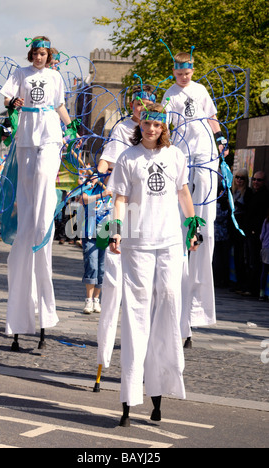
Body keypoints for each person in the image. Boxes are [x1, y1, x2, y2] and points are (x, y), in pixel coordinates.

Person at [107, 103, 201, 426]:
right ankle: (129, 397)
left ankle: (160, 386)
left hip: (170, 243)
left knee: (171, 304)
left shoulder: (175, 157)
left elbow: (184, 192)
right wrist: (116, 232)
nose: (151, 129)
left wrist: (193, 225)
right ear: (141, 125)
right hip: (138, 245)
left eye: (157, 124)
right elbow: (119, 200)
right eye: (147, 123)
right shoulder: (128, 158)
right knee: (136, 315)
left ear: (163, 128)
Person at [0, 36, 72, 345]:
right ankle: (30, 218)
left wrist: (72, 127)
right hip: (27, 131)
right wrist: (13, 102)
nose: (40, 58)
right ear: (32, 54)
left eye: (44, 54)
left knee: (45, 172)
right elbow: (6, 98)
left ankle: (44, 215)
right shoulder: (20, 73)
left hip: (50, 131)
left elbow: (59, 106)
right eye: (37, 53)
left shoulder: (55, 76)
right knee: (28, 182)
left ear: (49, 55)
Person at [161, 50, 229, 343]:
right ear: (174, 72)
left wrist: (220, 138)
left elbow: (212, 119)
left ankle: (202, 236)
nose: (183, 78)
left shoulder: (200, 90)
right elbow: (163, 123)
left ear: (192, 70)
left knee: (206, 222)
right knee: (181, 216)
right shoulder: (170, 94)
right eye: (179, 74)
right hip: (182, 154)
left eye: (187, 73)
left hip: (204, 154)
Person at [97, 84, 157, 369]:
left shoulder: (159, 134)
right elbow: (106, 158)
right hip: (121, 203)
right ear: (132, 107)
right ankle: (105, 355)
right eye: (138, 105)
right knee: (113, 278)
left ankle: (143, 351)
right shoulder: (122, 129)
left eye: (147, 106)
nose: (141, 110)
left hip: (148, 212)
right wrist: (97, 175)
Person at [79, 179, 111, 314]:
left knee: (102, 268)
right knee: (91, 265)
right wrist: (101, 195)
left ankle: (97, 299)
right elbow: (83, 199)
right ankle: (89, 299)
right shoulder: (93, 185)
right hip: (90, 233)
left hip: (106, 233)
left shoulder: (118, 186)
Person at [245, 171, 269, 297]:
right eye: (254, 179)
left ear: (264, 181)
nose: (256, 182)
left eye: (259, 180)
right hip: (251, 233)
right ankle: (250, 287)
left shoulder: (264, 196)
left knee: (255, 262)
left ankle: (253, 289)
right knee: (250, 261)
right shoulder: (254, 194)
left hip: (259, 235)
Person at [230, 168, 252, 293]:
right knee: (235, 256)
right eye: (237, 177)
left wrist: (236, 204)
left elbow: (248, 209)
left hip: (242, 227)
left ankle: (243, 283)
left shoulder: (247, 192)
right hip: (231, 226)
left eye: (242, 178)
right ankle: (236, 282)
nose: (239, 180)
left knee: (242, 256)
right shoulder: (232, 190)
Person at [259, 212, 269, 301]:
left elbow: (261, 236)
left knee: (264, 271)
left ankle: (261, 293)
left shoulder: (266, 221)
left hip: (266, 247)